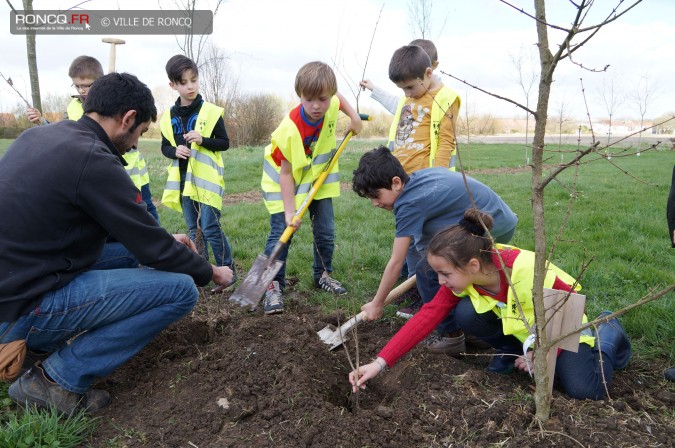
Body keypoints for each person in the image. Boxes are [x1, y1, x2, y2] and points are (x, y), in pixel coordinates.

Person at [0, 73, 233, 415]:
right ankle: (54, 381)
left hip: (16, 283)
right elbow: (152, 250)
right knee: (182, 289)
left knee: (128, 254)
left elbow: (126, 235)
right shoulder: (92, 158)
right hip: (21, 308)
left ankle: (38, 352)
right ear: (127, 119)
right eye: (139, 133)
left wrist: (164, 238)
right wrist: (212, 272)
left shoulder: (38, 136)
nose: (136, 144)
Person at [349, 209, 632, 401]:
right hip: (527, 331)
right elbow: (428, 316)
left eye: (444, 273)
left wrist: (542, 352)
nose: (440, 281)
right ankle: (511, 350)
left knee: (586, 390)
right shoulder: (469, 277)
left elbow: (567, 310)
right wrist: (379, 363)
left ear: (473, 264)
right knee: (465, 312)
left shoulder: (528, 272)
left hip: (565, 326)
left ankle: (607, 328)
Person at [352, 147, 518, 355]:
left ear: (395, 182)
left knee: (429, 271)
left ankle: (452, 336)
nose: (374, 203)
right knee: (433, 267)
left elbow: (396, 260)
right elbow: (417, 243)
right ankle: (474, 330)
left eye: (375, 195)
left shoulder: (409, 204)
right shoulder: (416, 181)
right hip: (498, 217)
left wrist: (377, 303)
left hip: (490, 225)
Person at [260, 61, 363, 315]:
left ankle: (323, 275)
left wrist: (355, 116)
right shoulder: (289, 129)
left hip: (318, 180)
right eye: (309, 100)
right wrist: (289, 212)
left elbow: (338, 97)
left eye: (322, 99)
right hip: (285, 183)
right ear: (300, 97)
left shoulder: (330, 103)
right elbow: (285, 174)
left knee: (326, 232)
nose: (316, 106)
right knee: (282, 234)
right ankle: (272, 287)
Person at [27, 55, 159, 223]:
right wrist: (43, 121)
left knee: (145, 206)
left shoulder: (120, 103)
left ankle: (158, 233)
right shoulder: (74, 109)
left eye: (87, 85)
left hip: (132, 169)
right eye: (77, 86)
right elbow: (66, 131)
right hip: (100, 167)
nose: (82, 90)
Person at [160, 54, 235, 287]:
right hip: (184, 183)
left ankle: (228, 272)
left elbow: (224, 143)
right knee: (194, 230)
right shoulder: (168, 117)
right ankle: (204, 273)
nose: (190, 86)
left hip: (207, 181)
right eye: (184, 82)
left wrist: (202, 140)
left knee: (211, 227)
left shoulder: (210, 112)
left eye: (194, 80)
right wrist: (175, 151)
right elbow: (164, 147)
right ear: (173, 85)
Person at [360, 39, 440, 115]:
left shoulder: (441, 100)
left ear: (433, 65)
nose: (407, 94)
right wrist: (373, 88)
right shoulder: (411, 97)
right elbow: (394, 104)